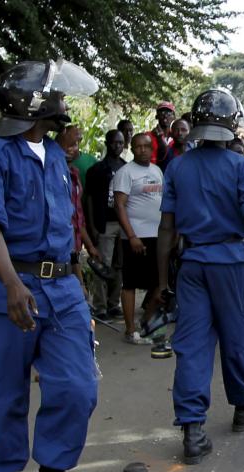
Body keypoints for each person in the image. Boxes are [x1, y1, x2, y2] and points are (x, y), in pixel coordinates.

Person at [0, 59, 101, 472]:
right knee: (3, 397)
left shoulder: (55, 157)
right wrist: (11, 282)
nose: (64, 102)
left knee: (77, 389)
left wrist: (77, 280)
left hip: (63, 290)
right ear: (34, 103)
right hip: (9, 289)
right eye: (57, 94)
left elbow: (65, 227)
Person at [155, 88, 244, 465]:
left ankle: (192, 429)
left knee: (191, 344)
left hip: (191, 264)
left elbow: (166, 229)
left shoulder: (177, 167)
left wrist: (162, 282)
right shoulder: (241, 167)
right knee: (237, 338)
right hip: (231, 262)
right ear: (233, 124)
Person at [113, 133, 164, 344]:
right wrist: (131, 235)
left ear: (152, 148)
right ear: (132, 149)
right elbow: (119, 205)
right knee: (130, 283)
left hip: (157, 236)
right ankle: (130, 330)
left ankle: (146, 322)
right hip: (135, 237)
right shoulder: (126, 172)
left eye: (146, 146)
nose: (142, 150)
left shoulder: (157, 170)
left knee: (158, 283)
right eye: (138, 147)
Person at [55, 126, 102, 295]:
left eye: (74, 145)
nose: (71, 149)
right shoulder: (51, 173)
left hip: (73, 244)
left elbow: (77, 217)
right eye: (67, 145)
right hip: (59, 246)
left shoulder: (74, 174)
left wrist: (89, 246)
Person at [84, 129, 126, 318]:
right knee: (102, 265)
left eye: (121, 143)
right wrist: (92, 226)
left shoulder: (127, 168)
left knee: (120, 265)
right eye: (114, 142)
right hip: (105, 223)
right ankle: (100, 306)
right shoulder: (97, 169)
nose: (117, 146)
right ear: (107, 143)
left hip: (124, 224)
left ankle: (114, 303)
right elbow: (89, 199)